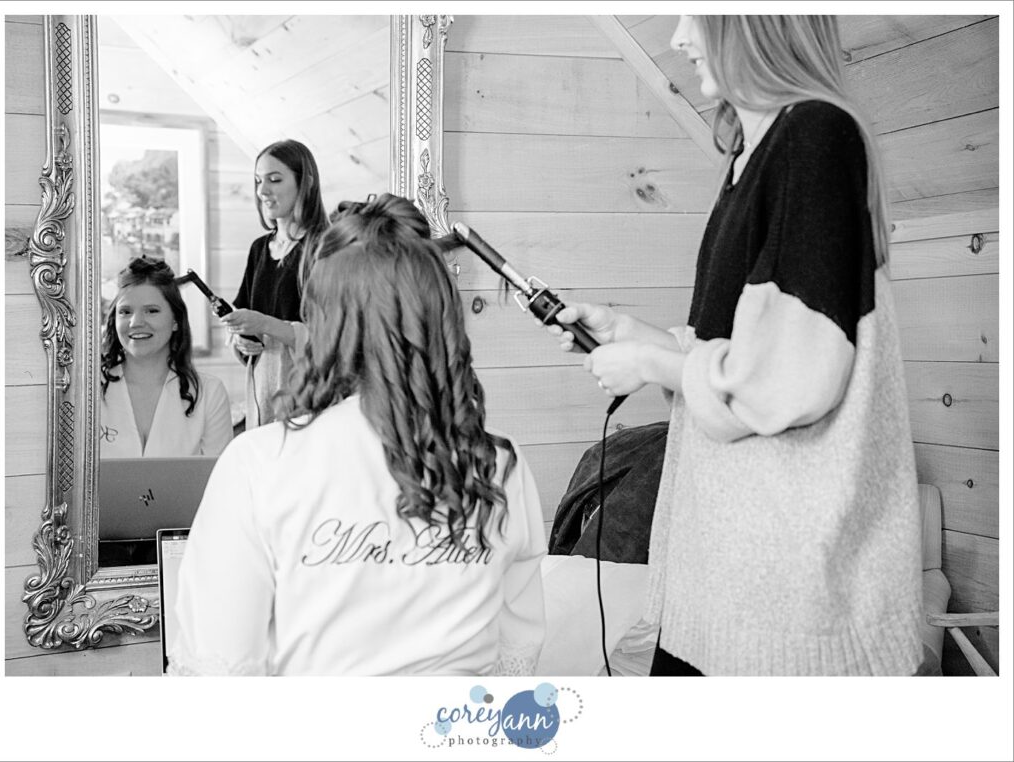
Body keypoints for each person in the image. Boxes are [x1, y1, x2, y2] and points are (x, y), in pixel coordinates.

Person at [549, 15, 923, 676]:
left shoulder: (814, 136)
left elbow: (787, 379)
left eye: (697, 13)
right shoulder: (749, 154)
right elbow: (738, 350)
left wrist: (648, 362)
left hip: (780, 594)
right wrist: (634, 335)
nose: (679, 37)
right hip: (721, 579)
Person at [170, 195, 547, 676]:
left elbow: (219, 668)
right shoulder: (496, 463)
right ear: (441, 318)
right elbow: (519, 650)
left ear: (326, 322)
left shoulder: (260, 464)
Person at [221, 139, 329, 428]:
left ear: (305, 183)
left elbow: (333, 336)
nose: (262, 191)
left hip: (308, 395)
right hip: (262, 390)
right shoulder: (259, 249)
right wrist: (241, 339)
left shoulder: (325, 249)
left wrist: (266, 324)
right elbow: (245, 322)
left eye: (274, 179)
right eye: (258, 181)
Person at [100, 256, 233, 458]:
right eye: (125, 312)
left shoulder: (210, 394)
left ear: (175, 321)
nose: (135, 322)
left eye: (151, 311)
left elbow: (219, 482)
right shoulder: (88, 392)